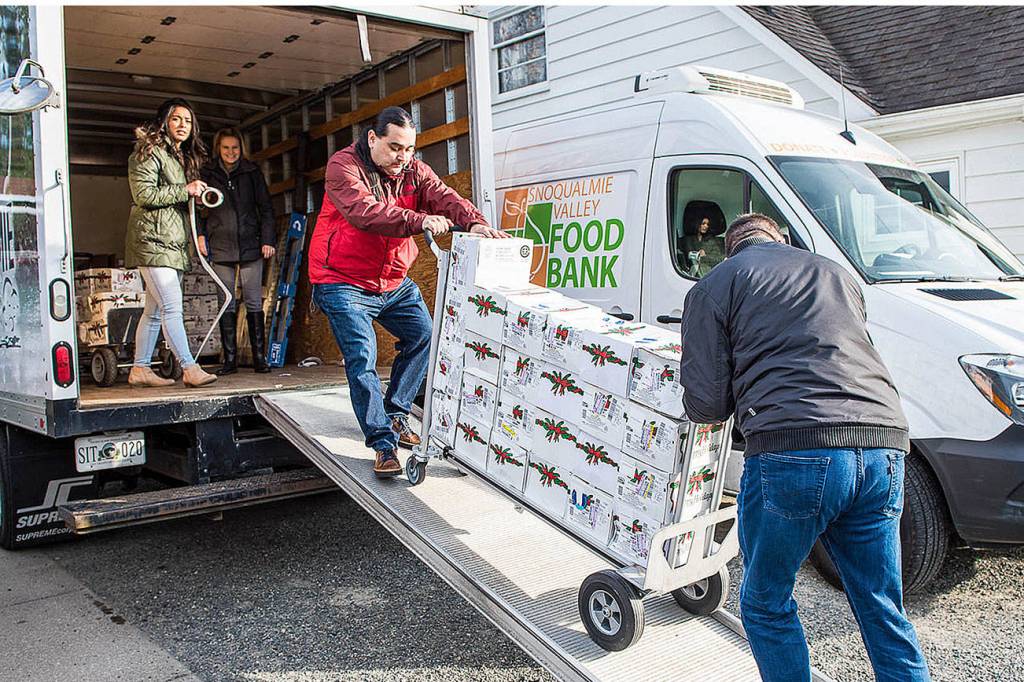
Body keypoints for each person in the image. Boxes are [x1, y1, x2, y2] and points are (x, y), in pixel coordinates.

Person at [679, 213, 930, 682]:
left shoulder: (716, 286)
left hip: (795, 450)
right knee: (880, 604)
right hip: (884, 445)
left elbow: (707, 404)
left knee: (765, 602)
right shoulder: (836, 274)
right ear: (782, 240)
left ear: (729, 249)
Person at [308, 106, 507, 478]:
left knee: (424, 337)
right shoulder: (343, 167)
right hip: (341, 279)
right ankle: (383, 444)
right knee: (362, 358)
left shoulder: (413, 169)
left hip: (392, 280)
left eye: (409, 149)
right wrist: (419, 220)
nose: (402, 157)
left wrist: (475, 223)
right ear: (373, 138)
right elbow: (365, 212)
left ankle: (397, 414)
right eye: (395, 147)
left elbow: (443, 195)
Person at [125, 98, 217, 388]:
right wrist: (184, 190)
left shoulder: (177, 156)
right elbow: (144, 195)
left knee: (153, 312)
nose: (183, 126)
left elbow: (174, 197)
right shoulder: (147, 152)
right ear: (164, 120)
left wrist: (194, 195)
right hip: (153, 242)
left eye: (188, 121)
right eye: (177, 119)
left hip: (171, 243)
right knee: (172, 308)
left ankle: (140, 369)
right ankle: (189, 368)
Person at [197, 127, 276, 375]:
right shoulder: (207, 173)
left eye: (235, 148)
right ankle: (229, 361)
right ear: (218, 149)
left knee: (253, 301)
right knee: (227, 302)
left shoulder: (252, 173)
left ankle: (259, 359)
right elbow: (197, 209)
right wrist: (200, 236)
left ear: (241, 149)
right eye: (226, 148)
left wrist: (268, 239)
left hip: (251, 245)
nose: (231, 152)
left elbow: (266, 208)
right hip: (220, 245)